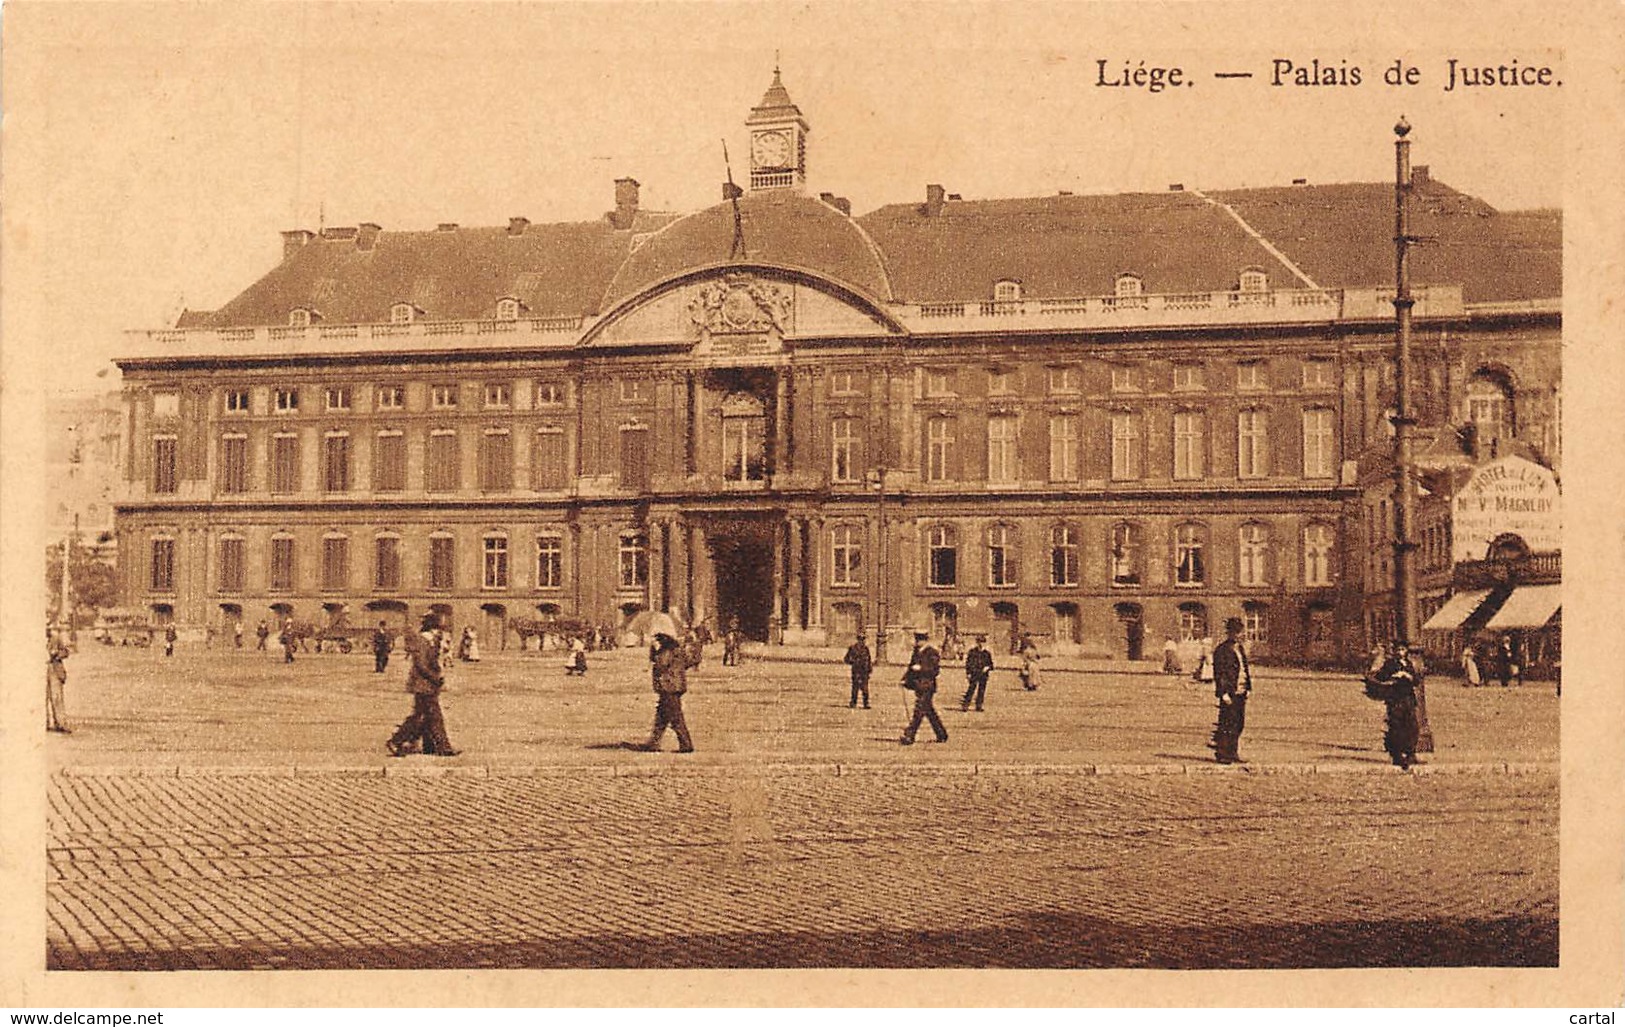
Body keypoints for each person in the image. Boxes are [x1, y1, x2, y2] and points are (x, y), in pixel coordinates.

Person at [387, 614, 459, 757]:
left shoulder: (431, 641)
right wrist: (435, 678)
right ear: (432, 628)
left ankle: (430, 746)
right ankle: (398, 741)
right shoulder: (421, 641)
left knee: (425, 717)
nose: (440, 632)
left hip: (427, 685)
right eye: (438, 629)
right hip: (423, 685)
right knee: (431, 717)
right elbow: (421, 664)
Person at [638, 615, 696, 753]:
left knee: (675, 717)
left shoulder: (666, 650)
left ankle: (686, 744)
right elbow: (687, 662)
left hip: (669, 687)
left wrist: (655, 651)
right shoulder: (677, 649)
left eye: (657, 638)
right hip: (674, 686)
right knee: (661, 717)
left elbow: (661, 664)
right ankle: (653, 743)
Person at [1366, 641, 1423, 769]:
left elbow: (1416, 680)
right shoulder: (1390, 664)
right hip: (1395, 698)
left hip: (1408, 698)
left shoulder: (1408, 664)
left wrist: (1408, 676)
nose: (1400, 652)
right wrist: (1393, 677)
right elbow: (1381, 677)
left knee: (1411, 726)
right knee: (1396, 726)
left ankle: (1410, 753)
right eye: (1398, 650)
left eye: (1403, 649)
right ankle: (1397, 755)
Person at [1210, 618, 1252, 764]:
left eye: (1241, 632)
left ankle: (1233, 752)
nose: (1241, 636)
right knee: (1227, 723)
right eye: (1238, 633)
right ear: (1231, 633)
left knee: (1239, 723)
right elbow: (1219, 673)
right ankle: (1222, 753)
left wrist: (1248, 687)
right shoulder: (1222, 650)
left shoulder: (1240, 649)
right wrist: (1223, 693)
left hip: (1241, 690)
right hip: (1229, 692)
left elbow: (1245, 668)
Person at [899, 629, 948, 745]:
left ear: (925, 640)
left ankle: (910, 735)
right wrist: (904, 679)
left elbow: (935, 671)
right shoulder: (916, 651)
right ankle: (942, 734)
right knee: (929, 711)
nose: (917, 642)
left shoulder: (932, 652)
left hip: (928, 686)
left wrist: (921, 669)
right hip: (918, 685)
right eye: (917, 640)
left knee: (919, 711)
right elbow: (911, 668)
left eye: (920, 640)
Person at [47, 628, 71, 733]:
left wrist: (56, 654)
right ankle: (46, 723)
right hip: (39, 670)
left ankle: (61, 723)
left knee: (57, 697)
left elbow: (66, 652)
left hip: (54, 668)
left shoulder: (55, 637)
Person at [961, 634, 993, 712]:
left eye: (983, 642)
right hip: (974, 673)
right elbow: (968, 663)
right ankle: (965, 705)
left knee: (981, 690)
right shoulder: (972, 652)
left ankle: (979, 705)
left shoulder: (986, 653)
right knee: (971, 689)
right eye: (979, 642)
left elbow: (991, 664)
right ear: (977, 643)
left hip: (983, 674)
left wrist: (987, 667)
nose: (981, 644)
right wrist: (968, 673)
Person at [843, 633, 872, 709]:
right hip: (856, 670)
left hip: (864, 671)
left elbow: (869, 660)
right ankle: (853, 702)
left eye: (863, 640)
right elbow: (846, 659)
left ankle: (866, 703)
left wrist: (869, 669)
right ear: (858, 640)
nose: (862, 641)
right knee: (855, 688)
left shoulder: (866, 649)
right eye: (860, 639)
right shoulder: (853, 648)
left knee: (865, 688)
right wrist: (852, 661)